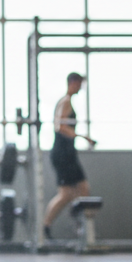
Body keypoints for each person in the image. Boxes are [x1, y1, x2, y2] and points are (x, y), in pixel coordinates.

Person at [42, 72, 96, 239]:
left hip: (66, 153)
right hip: (63, 153)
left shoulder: (66, 102)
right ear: (72, 83)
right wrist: (82, 137)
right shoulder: (65, 102)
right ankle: (47, 226)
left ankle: (84, 229)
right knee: (70, 193)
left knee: (80, 190)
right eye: (79, 84)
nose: (80, 88)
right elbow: (60, 126)